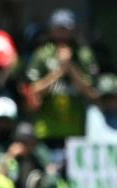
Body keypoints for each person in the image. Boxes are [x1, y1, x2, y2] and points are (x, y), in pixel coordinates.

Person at [25, 9, 99, 145]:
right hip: (47, 131)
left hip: (78, 132)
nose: (63, 34)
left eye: (66, 29)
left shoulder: (84, 55)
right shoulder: (42, 55)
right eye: (59, 29)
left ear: (74, 30)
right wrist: (59, 72)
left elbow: (93, 94)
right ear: (51, 30)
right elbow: (32, 92)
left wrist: (70, 67)